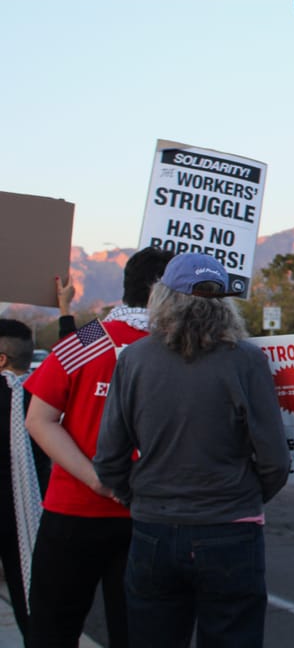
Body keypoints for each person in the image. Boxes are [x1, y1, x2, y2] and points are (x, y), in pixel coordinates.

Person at [93, 252, 289, 648]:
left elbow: (109, 456)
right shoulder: (247, 359)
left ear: (162, 297)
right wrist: (245, 495)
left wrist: (136, 496)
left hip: (153, 529)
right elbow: (274, 460)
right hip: (230, 529)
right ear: (223, 303)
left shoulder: (132, 358)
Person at [24, 246, 174, 648]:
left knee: (52, 629)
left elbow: (38, 420)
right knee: (141, 633)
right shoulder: (182, 347)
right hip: (152, 515)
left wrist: (97, 481)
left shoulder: (88, 338)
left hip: (73, 513)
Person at [0, 319, 45, 643]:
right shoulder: (45, 389)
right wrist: (66, 311)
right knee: (33, 602)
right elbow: (83, 346)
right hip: (33, 514)